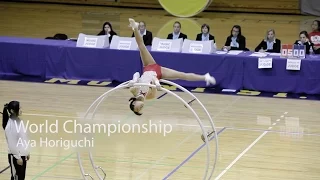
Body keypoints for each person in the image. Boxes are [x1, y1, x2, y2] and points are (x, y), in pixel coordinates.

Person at [127, 18, 216, 116]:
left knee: (141, 46)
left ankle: (135, 27)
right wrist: (157, 83)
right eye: (140, 110)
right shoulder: (149, 97)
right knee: (182, 75)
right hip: (159, 72)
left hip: (148, 67)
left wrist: (134, 80)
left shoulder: (134, 91)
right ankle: (204, 77)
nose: (141, 108)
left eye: (138, 108)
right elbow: (154, 80)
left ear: (134, 102)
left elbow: (136, 73)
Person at [2, 101, 30, 180]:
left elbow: (23, 137)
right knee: (16, 177)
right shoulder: (10, 126)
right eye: (19, 108)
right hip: (15, 156)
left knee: (21, 177)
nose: (21, 109)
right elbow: (11, 143)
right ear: (12, 111)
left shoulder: (19, 121)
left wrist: (26, 151)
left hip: (22, 154)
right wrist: (18, 157)